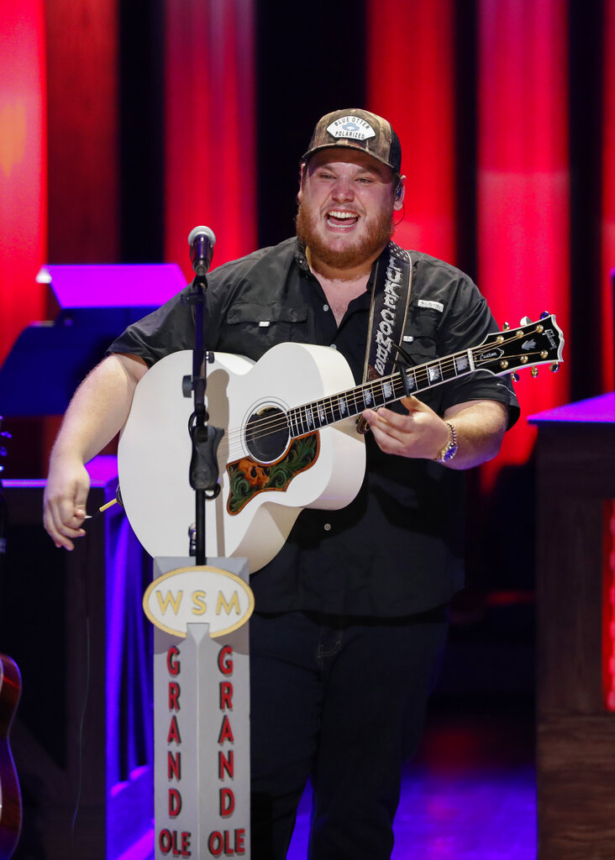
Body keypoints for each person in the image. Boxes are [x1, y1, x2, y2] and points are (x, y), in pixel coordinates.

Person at [44, 108, 519, 859]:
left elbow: (489, 410)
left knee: (357, 823)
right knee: (246, 822)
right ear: (299, 187)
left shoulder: (442, 294)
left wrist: (445, 440)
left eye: (365, 180)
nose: (343, 194)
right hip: (258, 600)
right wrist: (69, 455)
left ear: (395, 195)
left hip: (393, 600)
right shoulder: (235, 286)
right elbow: (127, 364)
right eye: (326, 176)